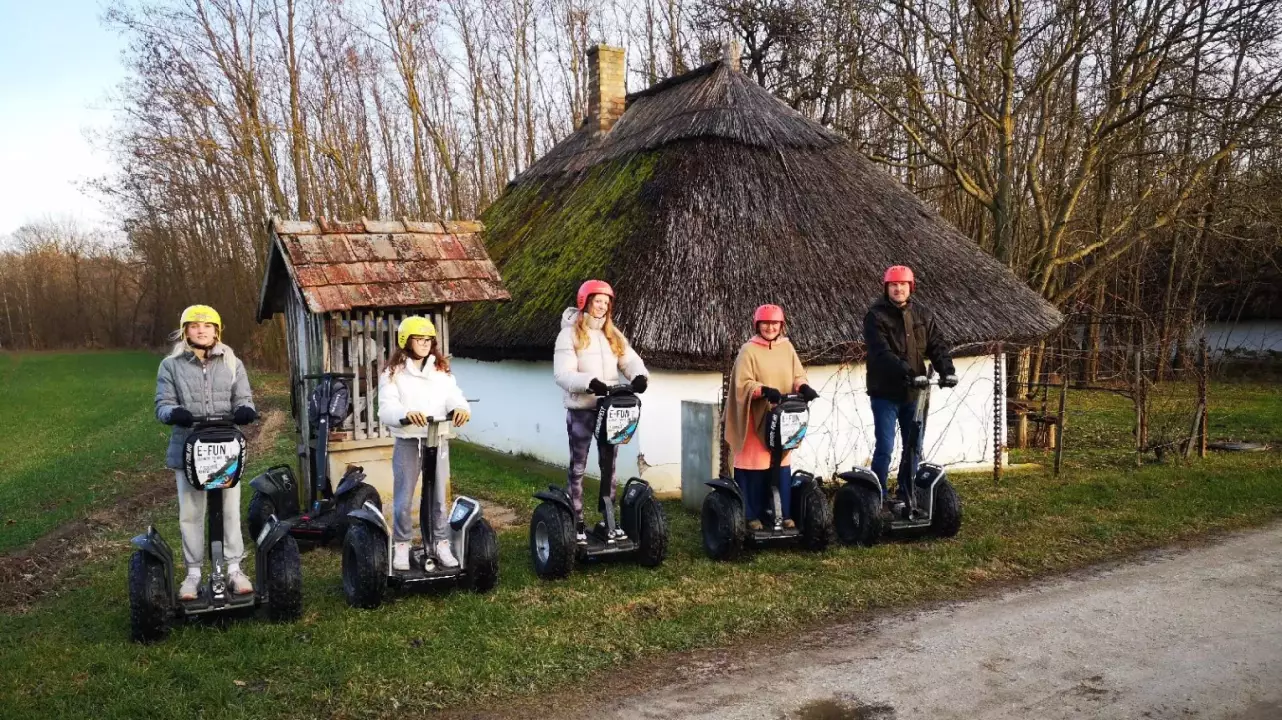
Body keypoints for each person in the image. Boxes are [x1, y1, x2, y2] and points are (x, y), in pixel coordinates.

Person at [155, 304, 259, 601]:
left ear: (217, 330)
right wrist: (175, 413)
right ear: (185, 330)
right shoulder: (171, 365)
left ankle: (234, 569)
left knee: (228, 509)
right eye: (194, 325)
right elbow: (162, 403)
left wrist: (244, 411)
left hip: (225, 448)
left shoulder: (231, 362)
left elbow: (245, 398)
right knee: (191, 512)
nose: (201, 330)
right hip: (188, 448)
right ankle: (193, 573)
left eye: (207, 325)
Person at [553, 280, 649, 544]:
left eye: (606, 303)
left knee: (610, 466)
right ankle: (577, 520)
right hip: (583, 408)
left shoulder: (612, 334)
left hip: (611, 409)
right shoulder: (569, 335)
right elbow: (562, 373)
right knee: (579, 466)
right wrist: (588, 382)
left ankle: (608, 519)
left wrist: (639, 377)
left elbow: (630, 360)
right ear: (585, 301)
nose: (602, 307)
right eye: (598, 301)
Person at [377, 316, 471, 571]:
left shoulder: (441, 370)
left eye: (428, 339)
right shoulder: (393, 373)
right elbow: (386, 407)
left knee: (439, 496)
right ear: (406, 341)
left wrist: (460, 408)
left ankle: (440, 542)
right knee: (404, 497)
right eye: (419, 339)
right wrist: (404, 416)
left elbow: (454, 396)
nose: (424, 343)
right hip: (408, 441)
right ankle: (402, 543)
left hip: (436, 439)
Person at [863, 265, 957, 505]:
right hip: (885, 392)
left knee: (913, 445)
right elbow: (881, 352)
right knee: (885, 446)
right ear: (887, 288)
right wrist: (907, 371)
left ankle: (907, 492)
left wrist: (947, 371)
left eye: (903, 285)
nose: (898, 289)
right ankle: (877, 496)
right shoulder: (875, 316)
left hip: (915, 393)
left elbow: (937, 345)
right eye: (893, 285)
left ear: (910, 287)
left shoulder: (923, 315)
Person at [724, 304, 819, 530]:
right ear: (757, 325)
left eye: (774, 323)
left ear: (781, 325)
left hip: (782, 418)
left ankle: (782, 513)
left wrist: (804, 387)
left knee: (781, 464)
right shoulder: (748, 350)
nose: (770, 327)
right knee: (754, 465)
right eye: (765, 323)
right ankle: (751, 515)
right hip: (755, 417)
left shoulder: (787, 348)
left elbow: (797, 374)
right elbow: (742, 384)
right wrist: (763, 390)